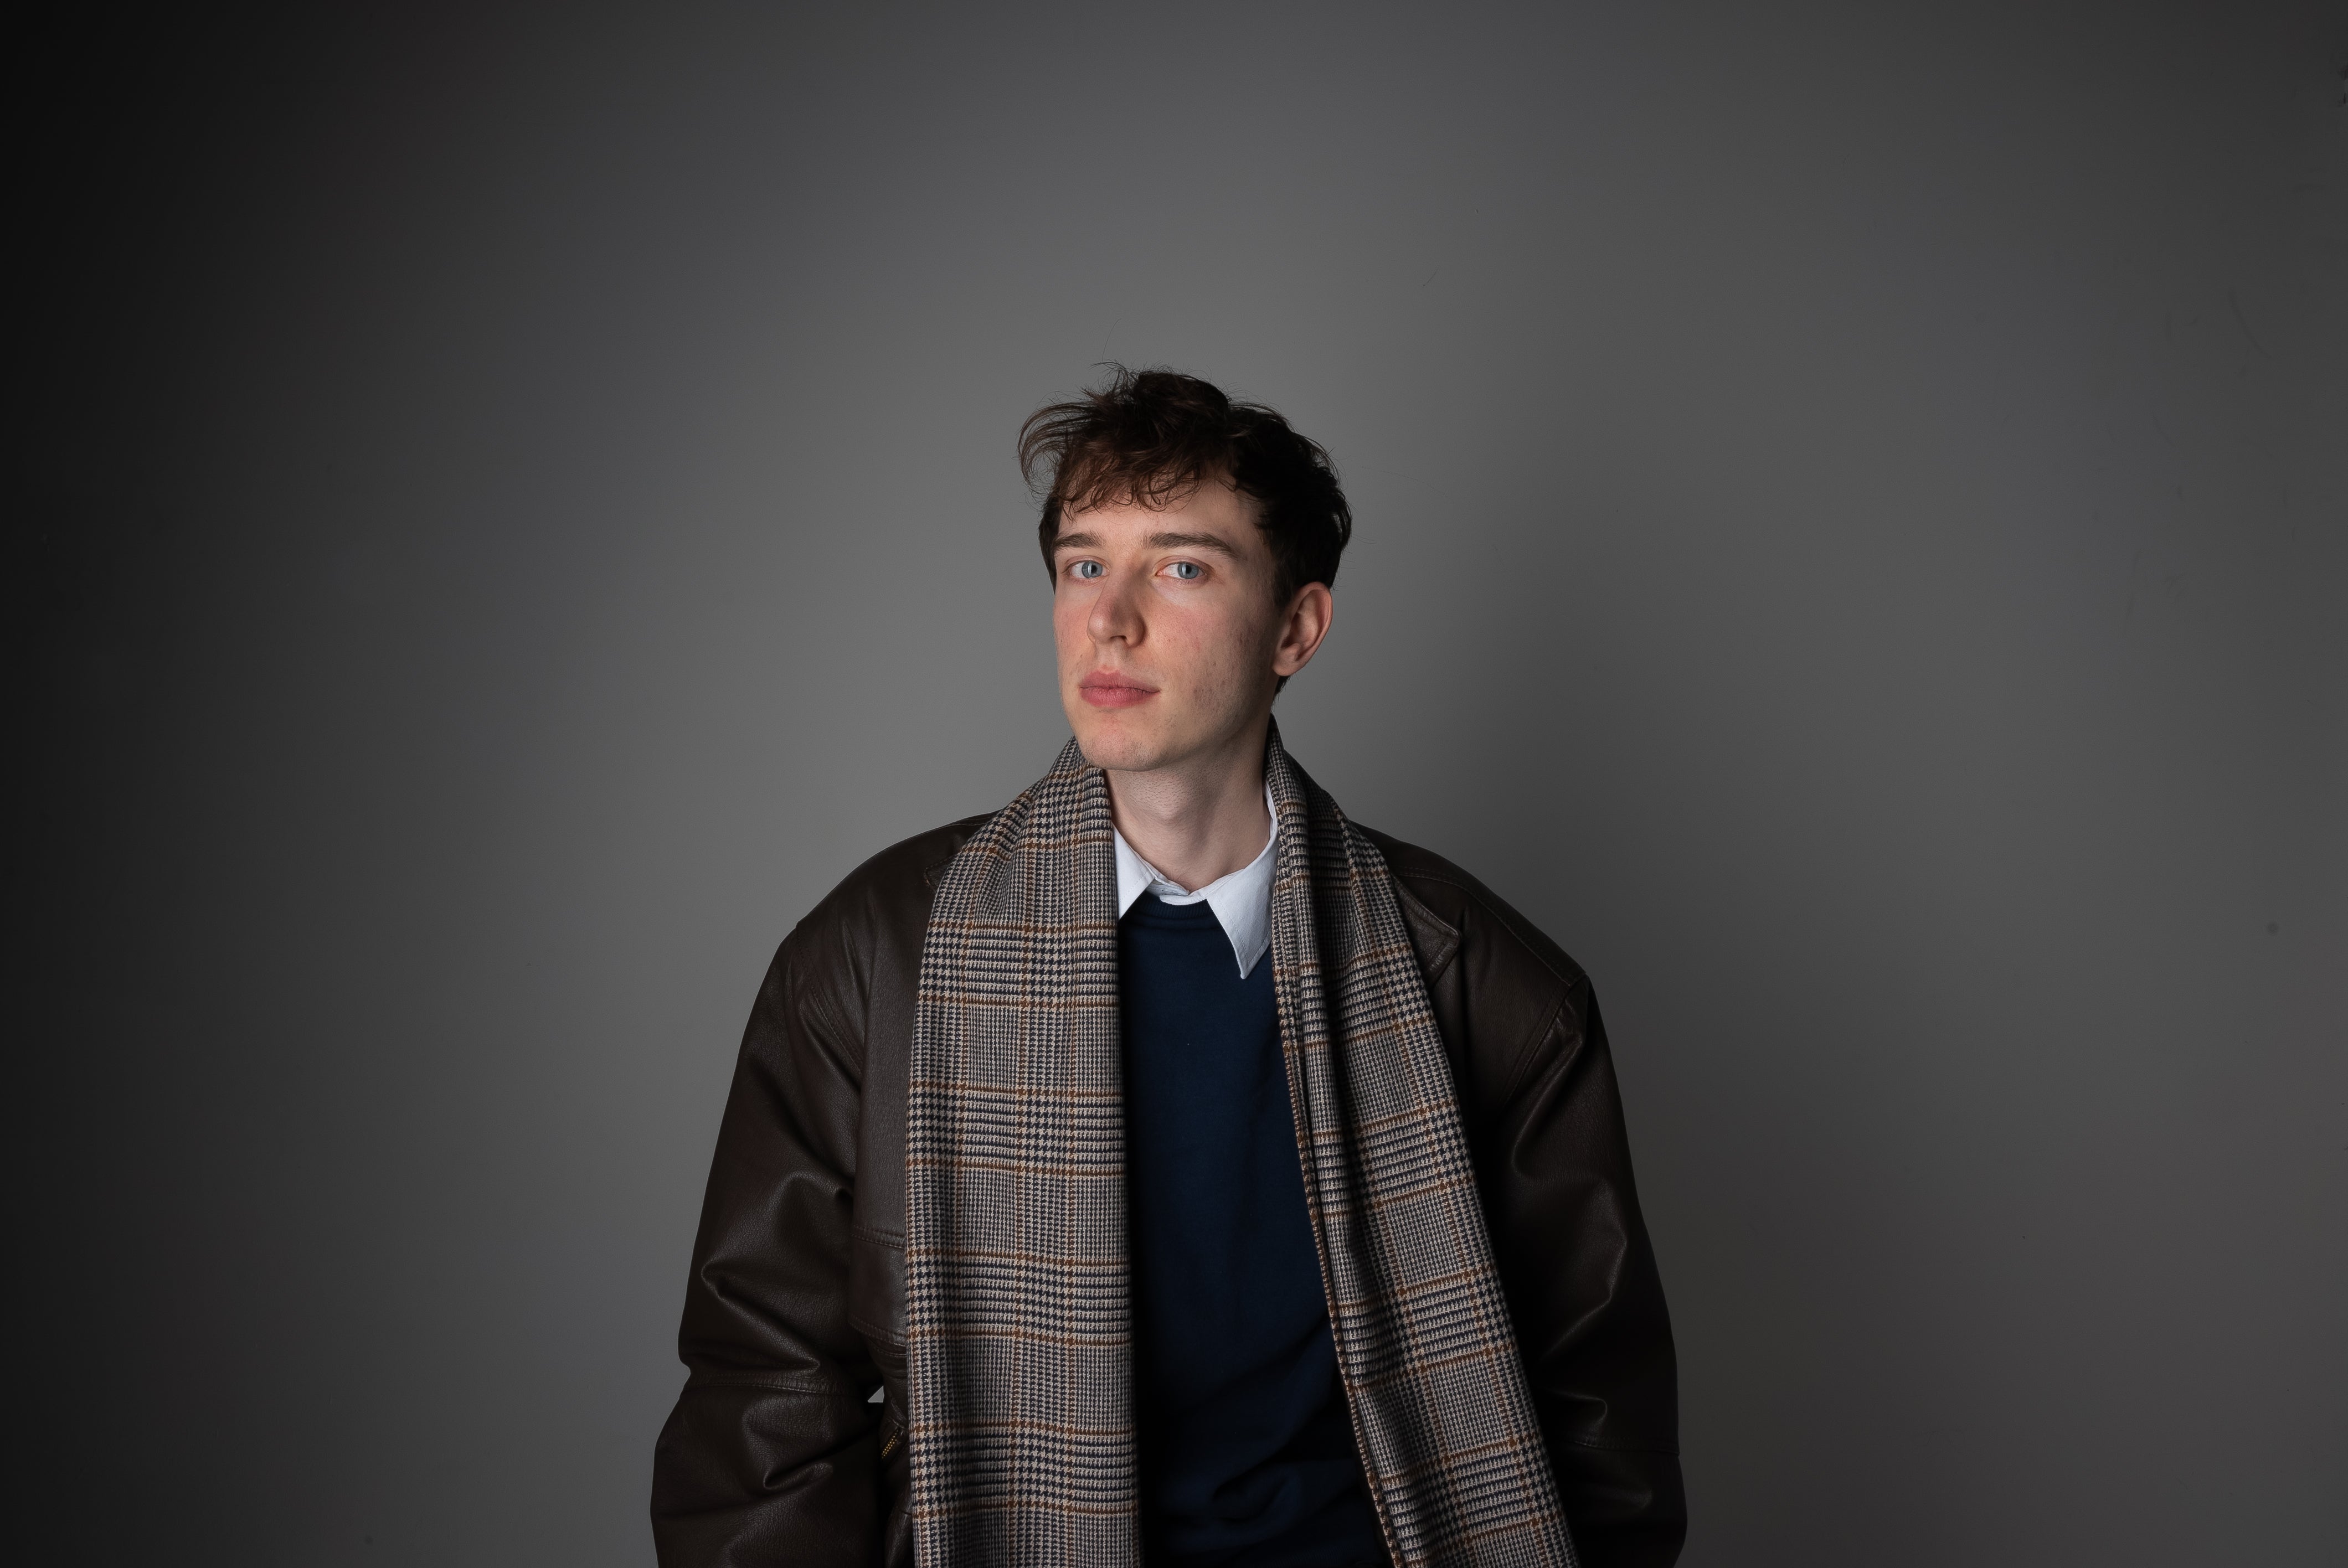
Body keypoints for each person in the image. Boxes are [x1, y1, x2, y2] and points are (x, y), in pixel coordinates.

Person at [650, 369, 1683, 1567]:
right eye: (1085, 564)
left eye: (1179, 567)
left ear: (1295, 628)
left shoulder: (1479, 981)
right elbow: (765, 1388)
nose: (1110, 618)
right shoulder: (877, 956)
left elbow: (1597, 1409)